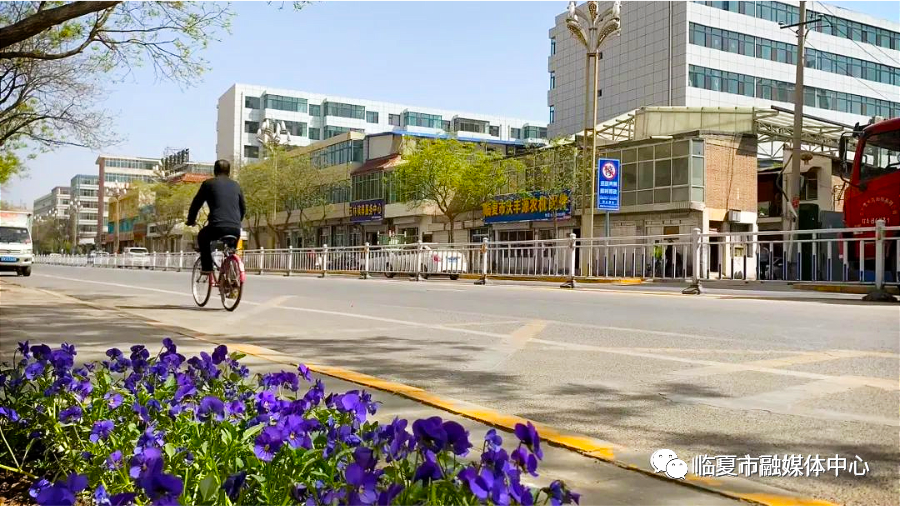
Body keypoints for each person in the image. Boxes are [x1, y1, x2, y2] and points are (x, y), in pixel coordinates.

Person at [186, 159, 246, 274]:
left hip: (216, 227)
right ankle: (232, 279)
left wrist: (191, 220)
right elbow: (243, 208)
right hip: (235, 228)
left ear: (214, 170)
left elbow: (196, 203)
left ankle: (207, 268)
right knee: (231, 250)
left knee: (202, 236)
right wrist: (237, 222)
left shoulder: (208, 184)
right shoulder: (236, 185)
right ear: (229, 172)